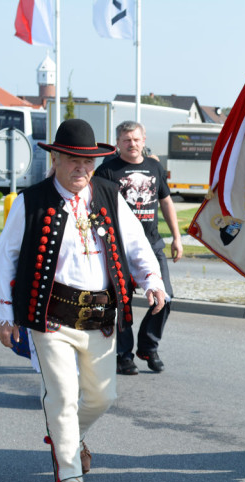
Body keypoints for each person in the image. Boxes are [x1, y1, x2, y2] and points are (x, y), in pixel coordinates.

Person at [0, 118, 166, 482]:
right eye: (74, 161)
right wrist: (3, 314)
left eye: (88, 162)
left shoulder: (110, 196)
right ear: (57, 159)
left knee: (102, 397)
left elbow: (137, 245)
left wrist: (152, 280)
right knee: (61, 396)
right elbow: (5, 257)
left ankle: (71, 439)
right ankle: (69, 475)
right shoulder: (32, 201)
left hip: (101, 316)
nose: (82, 169)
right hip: (51, 316)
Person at [95, 120, 182, 375]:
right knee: (122, 302)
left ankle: (148, 346)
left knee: (165, 296)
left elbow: (166, 202)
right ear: (118, 143)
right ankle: (123, 355)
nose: (131, 144)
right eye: (126, 140)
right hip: (118, 246)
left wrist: (176, 237)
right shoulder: (107, 170)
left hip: (152, 244)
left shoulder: (154, 166)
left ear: (143, 140)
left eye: (135, 139)